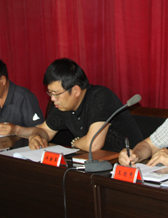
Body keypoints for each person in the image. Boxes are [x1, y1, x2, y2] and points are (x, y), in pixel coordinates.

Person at [9, 58, 142, 152]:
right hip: (98, 162)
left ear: (76, 90)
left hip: (130, 164)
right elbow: (45, 130)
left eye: (56, 93)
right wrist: (36, 136)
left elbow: (92, 144)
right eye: (50, 93)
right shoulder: (63, 105)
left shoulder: (100, 97)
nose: (53, 99)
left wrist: (74, 142)